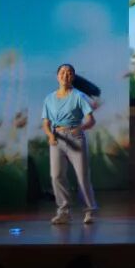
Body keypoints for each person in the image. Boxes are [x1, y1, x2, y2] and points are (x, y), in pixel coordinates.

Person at [41, 63, 98, 224]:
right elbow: (46, 123)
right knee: (56, 175)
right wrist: (50, 135)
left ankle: (89, 210)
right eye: (62, 72)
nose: (65, 75)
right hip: (57, 137)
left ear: (73, 77)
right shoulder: (49, 98)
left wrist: (80, 128)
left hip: (75, 137)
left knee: (82, 176)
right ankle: (63, 211)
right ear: (57, 76)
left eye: (69, 73)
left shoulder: (79, 96)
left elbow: (91, 120)